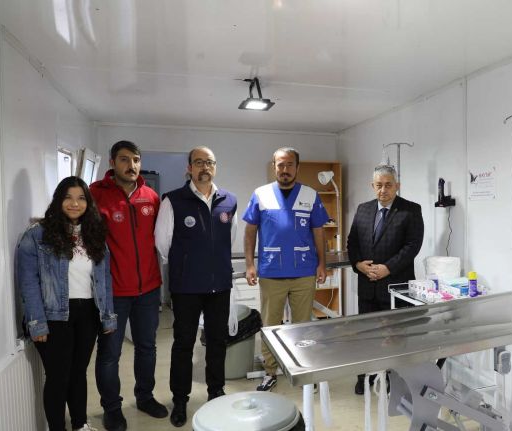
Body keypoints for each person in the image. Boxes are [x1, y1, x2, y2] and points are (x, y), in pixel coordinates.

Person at [17, 176, 116, 431]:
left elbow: (104, 278)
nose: (75, 203)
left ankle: (80, 425)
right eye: (68, 198)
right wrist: (37, 323)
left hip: (88, 313)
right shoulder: (37, 236)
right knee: (58, 378)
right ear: (58, 200)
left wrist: (107, 316)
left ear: (88, 203)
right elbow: (28, 282)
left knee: (78, 373)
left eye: (81, 198)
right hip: (54, 317)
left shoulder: (94, 235)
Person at [154, 146, 237, 427]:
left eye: (209, 162)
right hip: (186, 287)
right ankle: (180, 400)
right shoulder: (173, 200)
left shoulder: (229, 200)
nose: (205, 167)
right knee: (183, 344)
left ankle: (216, 393)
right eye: (199, 162)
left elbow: (229, 239)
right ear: (189, 168)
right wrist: (187, 265)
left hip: (219, 286)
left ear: (215, 167)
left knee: (217, 342)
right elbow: (162, 243)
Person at [90, 141, 167, 431]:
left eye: (135, 159)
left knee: (147, 347)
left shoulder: (151, 197)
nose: (131, 165)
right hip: (113, 292)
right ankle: (112, 408)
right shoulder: (95, 194)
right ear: (112, 162)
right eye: (124, 159)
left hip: (148, 288)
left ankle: (145, 397)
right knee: (110, 353)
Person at [243, 147, 328, 392]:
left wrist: (322, 264)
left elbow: (318, 232)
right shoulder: (260, 194)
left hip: (304, 271)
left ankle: (303, 372)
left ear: (297, 167)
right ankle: (270, 372)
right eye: (280, 164)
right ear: (274, 167)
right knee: (270, 325)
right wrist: (250, 264)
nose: (285, 169)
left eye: (290, 164)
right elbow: (250, 232)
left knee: (303, 326)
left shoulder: (310, 195)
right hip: (271, 272)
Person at [347, 164, 424, 394]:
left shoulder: (411, 210)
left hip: (395, 285)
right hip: (367, 285)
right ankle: (365, 377)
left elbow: (412, 246)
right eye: (379, 185)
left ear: (397, 186)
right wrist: (358, 264)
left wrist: (388, 268)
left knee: (395, 335)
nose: (383, 190)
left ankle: (394, 379)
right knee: (367, 333)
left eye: (388, 185)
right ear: (372, 186)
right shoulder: (363, 209)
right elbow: (352, 242)